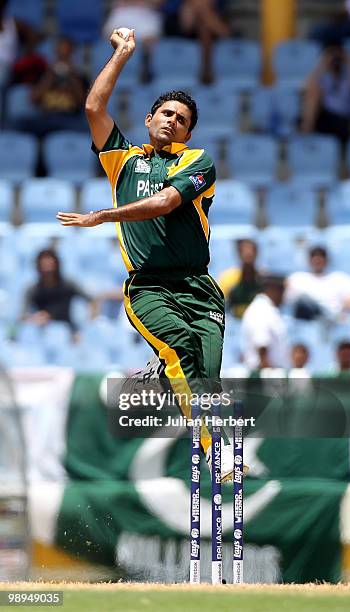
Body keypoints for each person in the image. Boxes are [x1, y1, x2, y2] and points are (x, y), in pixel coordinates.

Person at [57, 28, 238, 481]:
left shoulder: (197, 162)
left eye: (181, 118)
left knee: (205, 377)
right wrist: (122, 54)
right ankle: (218, 450)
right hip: (149, 286)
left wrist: (104, 216)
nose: (173, 121)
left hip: (199, 288)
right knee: (181, 348)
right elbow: (93, 107)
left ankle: (163, 378)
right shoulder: (123, 159)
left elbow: (164, 204)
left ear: (189, 131)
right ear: (148, 118)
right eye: (165, 113)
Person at [12, 37, 88, 136]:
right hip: (47, 117)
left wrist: (72, 76)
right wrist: (50, 76)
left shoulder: (80, 77)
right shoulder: (44, 74)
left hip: (70, 119)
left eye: (66, 55)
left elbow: (83, 104)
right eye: (60, 55)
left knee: (86, 129)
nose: (62, 58)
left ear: (72, 54)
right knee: (17, 125)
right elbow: (33, 99)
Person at [22, 248, 96, 331]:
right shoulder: (33, 289)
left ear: (57, 265)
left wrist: (89, 325)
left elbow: (92, 300)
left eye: (50, 266)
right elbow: (23, 316)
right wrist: (34, 318)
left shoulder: (69, 284)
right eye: (44, 266)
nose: (48, 270)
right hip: (43, 332)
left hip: (68, 332)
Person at [301, 43, 350, 145]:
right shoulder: (323, 76)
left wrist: (348, 60)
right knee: (313, 93)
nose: (335, 60)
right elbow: (306, 86)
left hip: (345, 118)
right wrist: (323, 63)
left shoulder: (348, 75)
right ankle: (306, 135)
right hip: (326, 117)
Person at [285, 245, 350, 323]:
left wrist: (347, 306)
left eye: (321, 257)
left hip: (333, 321)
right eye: (314, 257)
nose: (317, 260)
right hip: (305, 322)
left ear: (326, 260)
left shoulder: (338, 278)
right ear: (309, 259)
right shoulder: (298, 278)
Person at [163, 0, 230, 83]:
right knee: (198, 8)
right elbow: (185, 23)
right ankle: (206, 70)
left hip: (210, 27)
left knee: (203, 25)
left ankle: (205, 70)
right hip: (181, 26)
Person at [240, 275, 289, 371]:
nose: (284, 295)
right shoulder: (261, 309)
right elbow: (261, 345)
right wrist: (268, 377)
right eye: (282, 290)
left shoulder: (267, 308)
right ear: (273, 289)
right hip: (264, 374)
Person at [218, 238, 262, 319]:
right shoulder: (227, 277)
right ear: (239, 253)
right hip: (234, 320)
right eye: (244, 251)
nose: (248, 254)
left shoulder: (262, 278)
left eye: (251, 251)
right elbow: (222, 304)